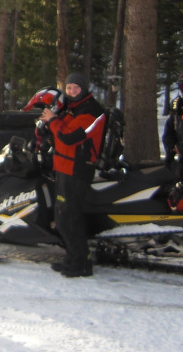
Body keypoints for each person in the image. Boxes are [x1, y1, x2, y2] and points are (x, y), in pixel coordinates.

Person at [39, 72, 106, 277]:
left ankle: (81, 262)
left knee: (69, 217)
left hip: (77, 169)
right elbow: (59, 132)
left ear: (84, 89)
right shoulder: (72, 109)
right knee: (62, 217)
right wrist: (46, 127)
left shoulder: (91, 111)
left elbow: (69, 137)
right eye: (69, 88)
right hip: (64, 167)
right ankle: (72, 257)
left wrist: (53, 122)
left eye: (76, 88)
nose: (72, 92)